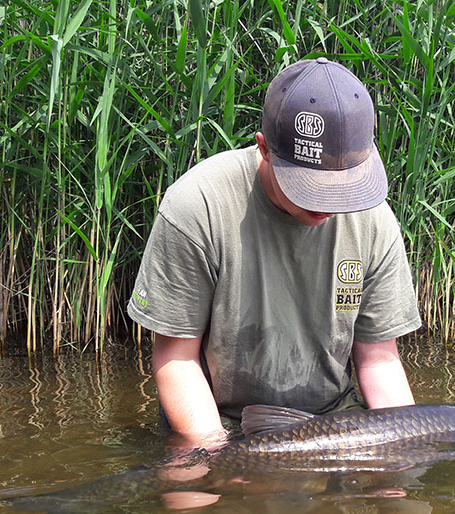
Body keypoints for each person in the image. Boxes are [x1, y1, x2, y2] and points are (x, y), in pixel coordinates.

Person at [126, 57, 422, 451]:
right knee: (192, 500)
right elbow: (176, 359)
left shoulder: (373, 220)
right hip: (221, 423)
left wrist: (405, 453)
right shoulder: (197, 206)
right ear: (264, 149)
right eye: (311, 186)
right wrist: (216, 457)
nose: (329, 204)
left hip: (333, 418)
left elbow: (379, 361)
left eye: (344, 185)